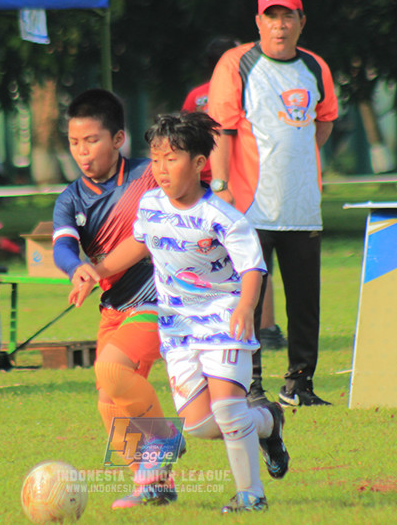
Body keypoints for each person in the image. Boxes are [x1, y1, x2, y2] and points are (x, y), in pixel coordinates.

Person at [71, 111, 289, 513]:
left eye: (171, 159)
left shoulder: (221, 216)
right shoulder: (152, 203)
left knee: (226, 409)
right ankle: (269, 422)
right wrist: (96, 271)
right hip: (178, 329)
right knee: (201, 425)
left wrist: (245, 306)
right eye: (155, 159)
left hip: (224, 319)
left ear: (200, 163)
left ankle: (251, 496)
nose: (161, 169)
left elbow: (252, 267)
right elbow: (138, 243)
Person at [207, 0, 338, 407]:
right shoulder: (237, 63)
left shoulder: (316, 67)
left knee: (305, 304)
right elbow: (221, 130)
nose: (279, 26)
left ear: (301, 22)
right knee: (247, 300)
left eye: (288, 17)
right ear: (258, 22)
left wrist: (297, 161)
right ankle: (252, 386)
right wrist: (222, 186)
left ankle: (299, 385)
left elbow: (325, 120)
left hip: (302, 208)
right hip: (250, 208)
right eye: (271, 16)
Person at [51, 88, 178, 508]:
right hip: (113, 308)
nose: (82, 152)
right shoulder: (70, 198)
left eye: (92, 140)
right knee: (109, 402)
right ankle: (154, 486)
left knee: (109, 369)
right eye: (74, 142)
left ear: (118, 139)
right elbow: (63, 247)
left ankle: (166, 439)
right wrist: (77, 268)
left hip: (158, 300)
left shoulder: (148, 176)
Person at [183, 35, 287, 353]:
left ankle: (206, 323)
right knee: (254, 255)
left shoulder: (195, 96)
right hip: (240, 184)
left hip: (202, 185)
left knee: (204, 257)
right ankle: (265, 327)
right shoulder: (246, 88)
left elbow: (185, 138)